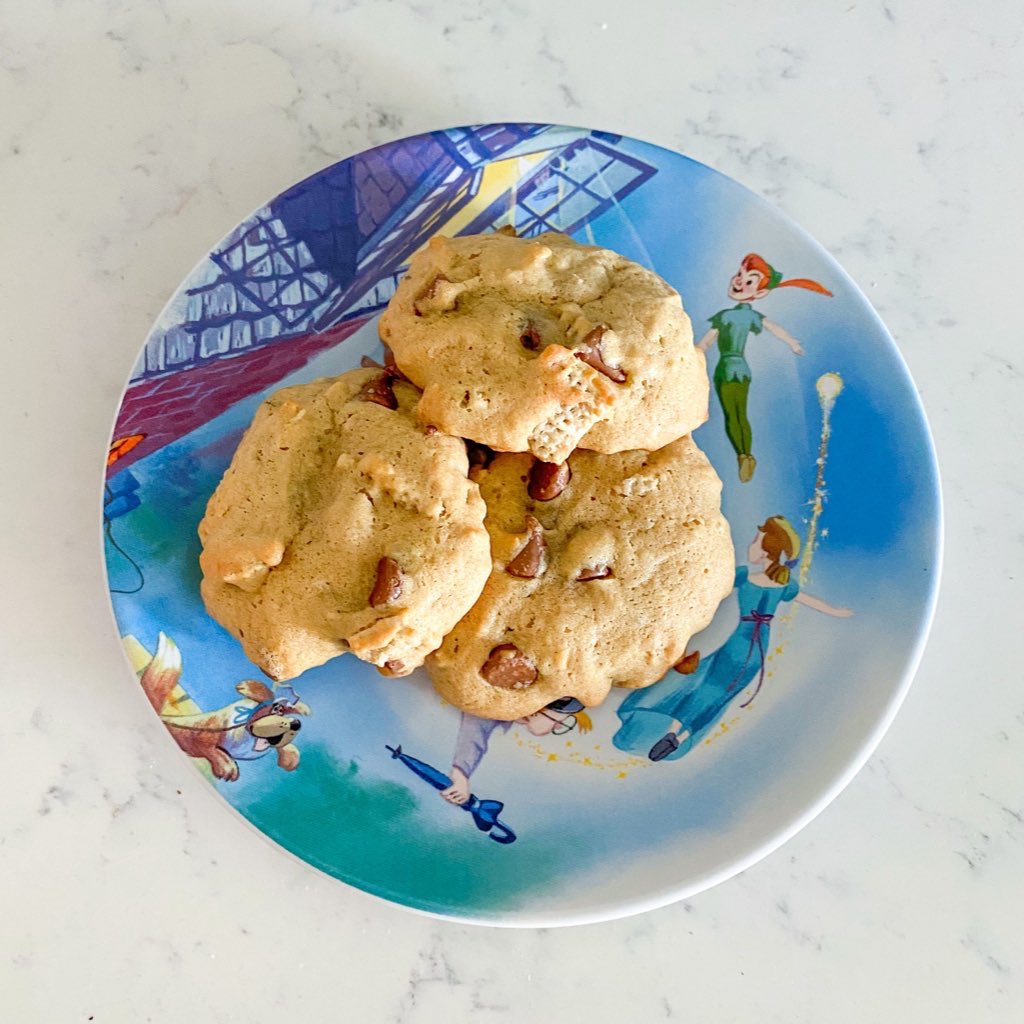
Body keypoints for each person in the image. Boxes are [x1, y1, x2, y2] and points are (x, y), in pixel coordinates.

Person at [612, 516, 852, 763]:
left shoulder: (747, 576)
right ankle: (680, 736)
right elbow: (810, 601)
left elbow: (712, 581)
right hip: (756, 649)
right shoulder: (782, 584)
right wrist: (837, 612)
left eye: (757, 541)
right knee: (720, 694)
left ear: (767, 549)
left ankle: (673, 730)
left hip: (738, 643)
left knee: (702, 683)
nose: (751, 545)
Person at [698, 254, 832, 482]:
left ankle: (744, 456)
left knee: (733, 414)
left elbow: (706, 343)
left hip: (728, 367)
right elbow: (706, 342)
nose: (739, 281)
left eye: (749, 281)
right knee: (738, 414)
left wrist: (792, 343)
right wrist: (792, 343)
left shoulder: (733, 316)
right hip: (738, 368)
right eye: (740, 275)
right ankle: (745, 455)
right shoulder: (737, 315)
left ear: (760, 293)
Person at [440, 697, 591, 805]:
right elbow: (472, 737)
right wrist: (460, 777)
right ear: (534, 711)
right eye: (558, 722)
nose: (558, 727)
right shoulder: (492, 706)